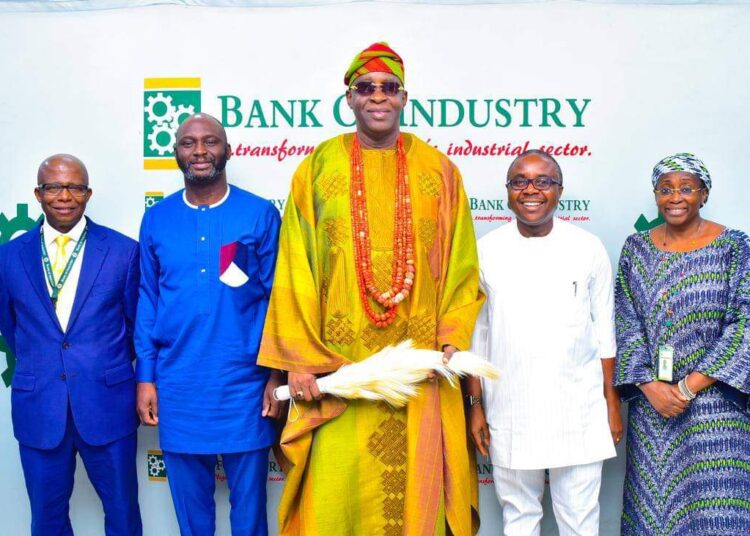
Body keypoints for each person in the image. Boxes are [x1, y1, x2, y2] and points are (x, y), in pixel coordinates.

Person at [257, 42, 484, 535]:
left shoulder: (439, 171)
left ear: (404, 98)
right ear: (349, 98)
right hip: (339, 370)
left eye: (388, 88)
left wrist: (450, 335)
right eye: (366, 88)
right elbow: (295, 265)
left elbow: (462, 263)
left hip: (419, 368)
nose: (377, 97)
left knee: (418, 498)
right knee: (337, 497)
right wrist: (297, 358)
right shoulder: (317, 168)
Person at [135, 113, 283, 535]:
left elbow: (278, 302)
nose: (200, 151)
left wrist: (276, 375)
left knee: (250, 517)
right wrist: (146, 378)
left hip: (246, 387)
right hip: (177, 387)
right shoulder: (158, 219)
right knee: (192, 519)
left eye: (210, 141)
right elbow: (149, 300)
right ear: (176, 152)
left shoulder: (258, 215)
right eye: (188, 143)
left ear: (228, 150)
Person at [468, 150, 621, 535]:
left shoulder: (587, 247)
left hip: (579, 409)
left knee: (580, 521)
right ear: (508, 191)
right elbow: (476, 338)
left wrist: (611, 403)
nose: (531, 190)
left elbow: (605, 331)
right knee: (519, 518)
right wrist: (475, 405)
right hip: (509, 408)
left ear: (560, 190)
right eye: (520, 181)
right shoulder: (486, 252)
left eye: (543, 181)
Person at [0, 154, 142, 535]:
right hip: (39, 407)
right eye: (54, 187)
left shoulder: (123, 251)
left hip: (107, 404)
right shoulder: (8, 256)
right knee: (46, 520)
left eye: (75, 187)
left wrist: (97, 364)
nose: (65, 196)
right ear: (38, 193)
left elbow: (134, 330)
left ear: (88, 193)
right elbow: (10, 328)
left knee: (123, 514)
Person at [614, 152, 750, 534]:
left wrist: (690, 386)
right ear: (655, 196)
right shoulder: (636, 248)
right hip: (655, 406)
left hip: (717, 403)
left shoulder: (734, 246)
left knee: (715, 509)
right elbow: (625, 321)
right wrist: (649, 385)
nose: (675, 197)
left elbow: (745, 324)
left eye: (686, 188)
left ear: (704, 194)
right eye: (665, 189)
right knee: (654, 510)